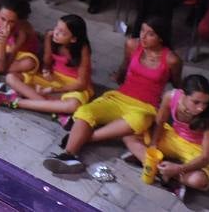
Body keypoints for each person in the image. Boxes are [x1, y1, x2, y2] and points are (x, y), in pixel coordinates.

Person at [44, 17, 182, 174]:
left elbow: (177, 86)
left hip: (145, 106)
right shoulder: (132, 44)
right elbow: (124, 66)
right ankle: (69, 155)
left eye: (150, 34)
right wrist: (118, 77)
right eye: (142, 30)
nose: (143, 36)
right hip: (119, 96)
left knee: (138, 120)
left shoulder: (171, 59)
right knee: (85, 112)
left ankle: (80, 139)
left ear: (161, 37)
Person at [122, 75, 209, 200]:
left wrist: (178, 169)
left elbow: (206, 157)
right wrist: (153, 144)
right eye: (196, 102)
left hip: (195, 148)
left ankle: (151, 166)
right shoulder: (171, 97)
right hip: (172, 137)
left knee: (199, 180)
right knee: (129, 136)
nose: (201, 108)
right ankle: (164, 173)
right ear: (183, 94)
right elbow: (160, 122)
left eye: (205, 103)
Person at [0, 14, 93, 125]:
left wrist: (53, 90)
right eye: (56, 28)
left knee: (73, 105)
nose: (56, 33)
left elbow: (82, 84)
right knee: (11, 77)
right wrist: (46, 69)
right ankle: (57, 112)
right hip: (53, 78)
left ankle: (16, 101)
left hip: (72, 85)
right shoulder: (50, 36)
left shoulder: (83, 49)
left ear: (73, 39)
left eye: (62, 33)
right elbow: (47, 61)